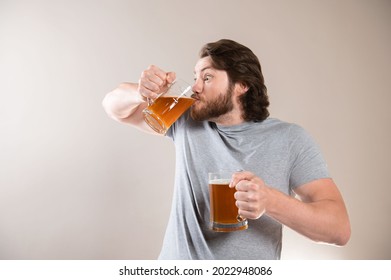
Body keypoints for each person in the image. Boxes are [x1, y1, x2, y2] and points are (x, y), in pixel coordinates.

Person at [102, 39, 351, 260]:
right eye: (196, 77)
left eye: (207, 77)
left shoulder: (290, 139)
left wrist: (270, 201)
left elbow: (338, 229)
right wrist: (141, 92)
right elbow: (114, 107)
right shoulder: (185, 121)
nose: (196, 87)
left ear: (242, 85)